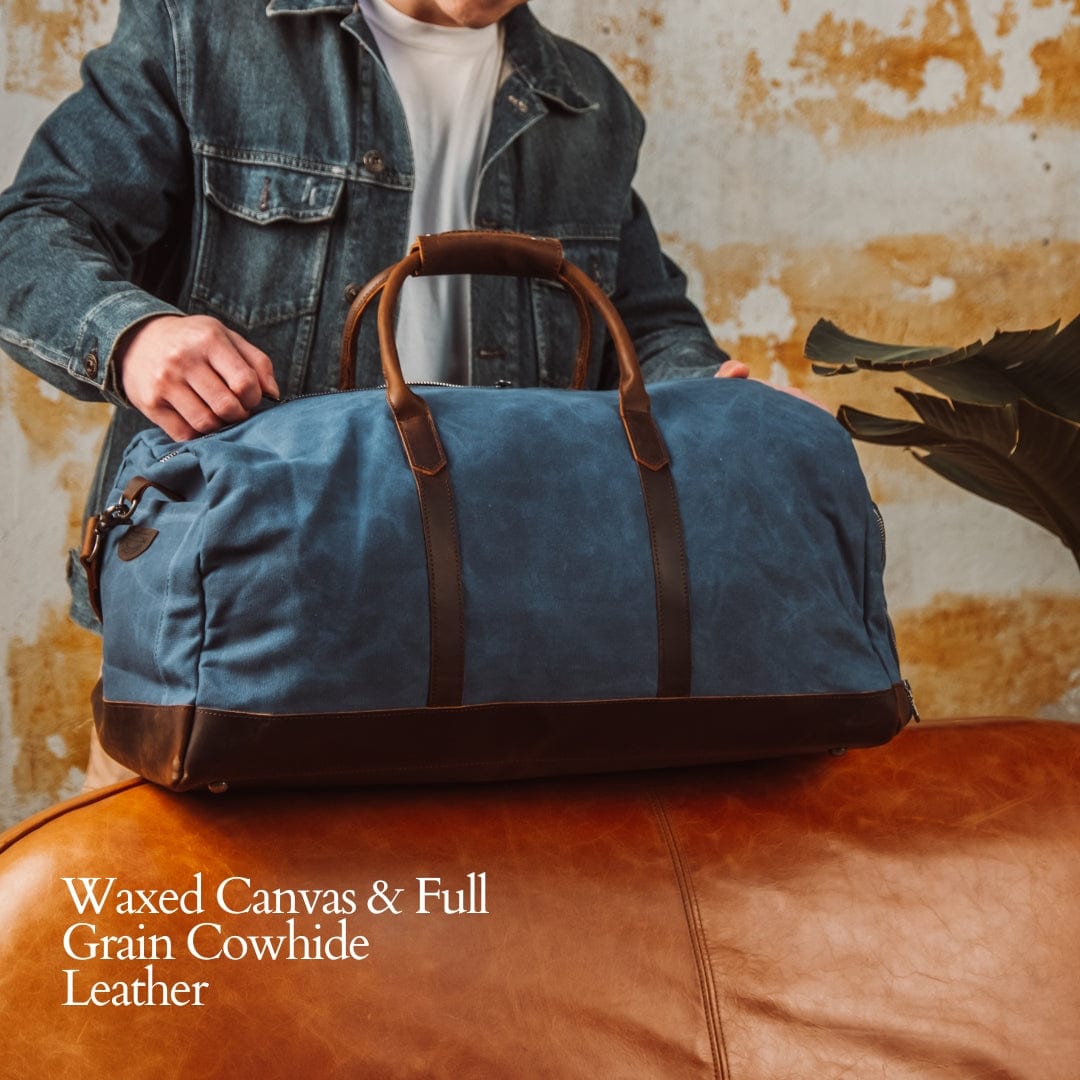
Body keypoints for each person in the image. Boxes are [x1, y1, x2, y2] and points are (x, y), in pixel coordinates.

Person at [0, 0, 789, 786]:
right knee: (198, 912)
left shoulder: (585, 101)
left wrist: (713, 397)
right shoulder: (202, 30)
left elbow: (644, 320)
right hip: (241, 632)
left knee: (477, 909)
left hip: (502, 638)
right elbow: (28, 233)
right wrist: (132, 336)